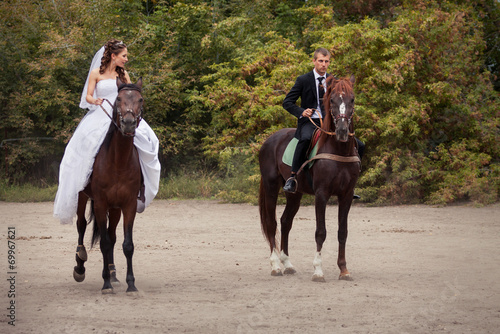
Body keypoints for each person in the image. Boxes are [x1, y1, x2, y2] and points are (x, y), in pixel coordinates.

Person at [54, 39, 161, 224]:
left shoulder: (124, 74)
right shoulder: (96, 73)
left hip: (123, 114)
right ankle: (83, 180)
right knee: (84, 144)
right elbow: (88, 95)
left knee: (149, 140)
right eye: (124, 56)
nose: (126, 59)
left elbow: (130, 93)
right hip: (101, 113)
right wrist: (94, 100)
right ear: (113, 56)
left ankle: (141, 184)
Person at [282, 47, 364, 194]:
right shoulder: (303, 80)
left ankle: (351, 183)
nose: (323, 64)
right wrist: (302, 112)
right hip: (310, 121)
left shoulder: (334, 81)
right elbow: (287, 102)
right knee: (305, 139)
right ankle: (293, 177)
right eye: (320, 61)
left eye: (326, 61)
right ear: (314, 61)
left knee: (360, 145)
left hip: (331, 122)